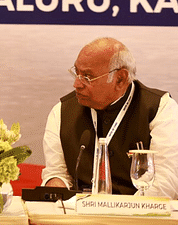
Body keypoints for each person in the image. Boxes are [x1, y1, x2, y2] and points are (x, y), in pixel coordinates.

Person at [42, 37, 178, 197]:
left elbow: (166, 184)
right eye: (76, 73)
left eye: (87, 77)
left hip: (139, 217)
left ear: (120, 79)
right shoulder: (62, 111)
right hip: (80, 216)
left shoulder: (160, 108)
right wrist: (56, 187)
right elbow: (57, 173)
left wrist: (121, 213)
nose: (76, 84)